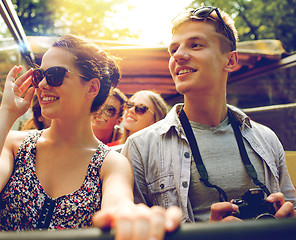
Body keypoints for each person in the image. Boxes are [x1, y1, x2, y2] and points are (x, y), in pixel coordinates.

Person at [0, 34, 181, 238]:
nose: (42, 84)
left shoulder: (111, 164)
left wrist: (132, 219)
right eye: (39, 75)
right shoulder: (15, 144)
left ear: (92, 88)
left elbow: (119, 208)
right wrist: (7, 112)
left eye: (54, 75)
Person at [121, 6, 296, 222]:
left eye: (195, 45)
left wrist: (287, 221)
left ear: (230, 61)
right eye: (173, 49)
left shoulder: (267, 139)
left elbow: (291, 206)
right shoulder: (140, 147)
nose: (179, 55)